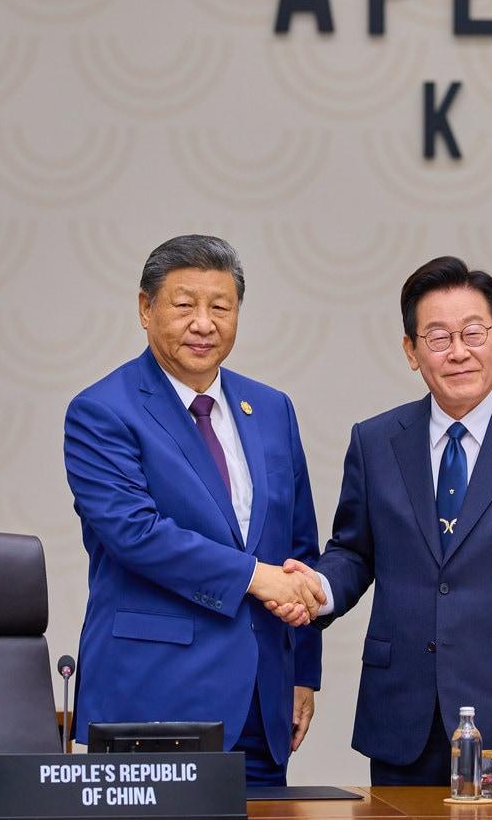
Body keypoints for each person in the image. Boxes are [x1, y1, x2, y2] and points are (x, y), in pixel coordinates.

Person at [281, 256, 492, 786]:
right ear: (412, 351)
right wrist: (316, 588)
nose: (458, 352)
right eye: (437, 337)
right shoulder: (376, 442)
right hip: (402, 713)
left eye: (473, 333)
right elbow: (354, 552)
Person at [63, 234, 324, 785]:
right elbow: (135, 533)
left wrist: (303, 672)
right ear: (145, 308)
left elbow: (298, 552)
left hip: (261, 705)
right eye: (184, 305)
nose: (203, 323)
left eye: (220, 307)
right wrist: (254, 578)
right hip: (153, 700)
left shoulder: (272, 409)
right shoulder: (102, 411)